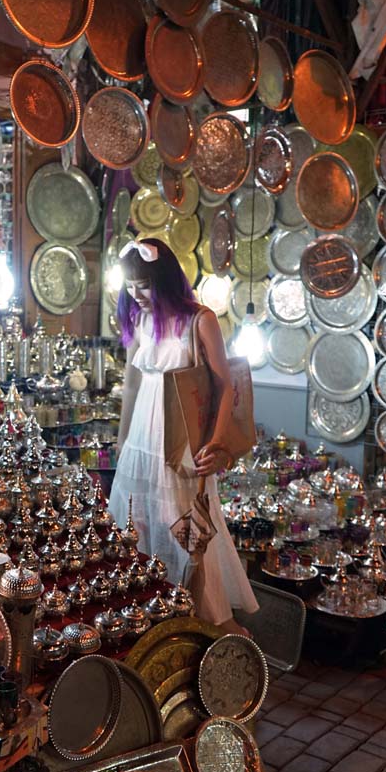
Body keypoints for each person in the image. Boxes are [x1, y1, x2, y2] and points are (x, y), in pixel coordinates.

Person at [108, 238, 258, 634]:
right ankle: (151, 610)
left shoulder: (200, 319)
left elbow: (226, 386)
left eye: (144, 285)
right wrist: (122, 441)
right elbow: (133, 383)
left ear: (165, 280)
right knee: (138, 519)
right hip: (143, 436)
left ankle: (202, 619)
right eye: (129, 285)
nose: (136, 294)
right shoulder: (141, 320)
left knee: (188, 525)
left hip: (181, 439)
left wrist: (218, 443)